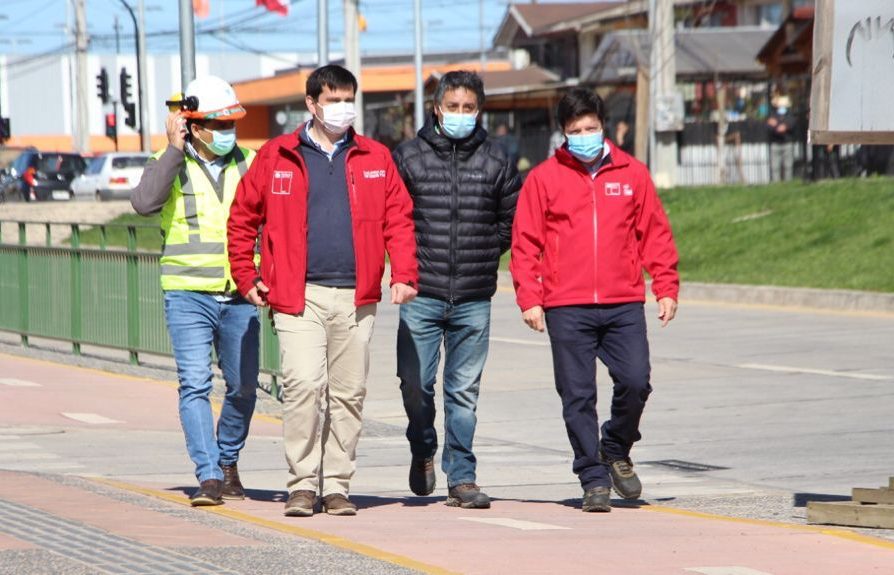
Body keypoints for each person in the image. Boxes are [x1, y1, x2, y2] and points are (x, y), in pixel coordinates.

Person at [227, 64, 418, 518]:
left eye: (348, 99)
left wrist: (405, 273)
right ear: (311, 104)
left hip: (357, 297)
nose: (341, 108)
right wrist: (246, 276)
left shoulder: (375, 156)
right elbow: (242, 220)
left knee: (349, 394)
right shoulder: (277, 155)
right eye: (332, 100)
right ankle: (300, 485)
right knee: (303, 386)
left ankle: (336, 486)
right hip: (298, 295)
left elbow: (399, 218)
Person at [510, 87, 679, 513]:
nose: (585, 135)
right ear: (564, 134)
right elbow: (525, 242)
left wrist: (665, 284)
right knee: (577, 395)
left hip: (623, 302)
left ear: (604, 127)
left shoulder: (632, 173)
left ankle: (616, 446)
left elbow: (654, 232)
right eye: (576, 130)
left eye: (592, 128)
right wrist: (530, 297)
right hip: (566, 305)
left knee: (636, 380)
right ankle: (592, 476)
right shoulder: (544, 178)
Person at [392, 70, 520, 509]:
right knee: (415, 385)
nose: (461, 115)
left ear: (479, 110)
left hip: (473, 297)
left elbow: (510, 223)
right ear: (436, 107)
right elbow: (395, 221)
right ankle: (423, 444)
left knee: (464, 393)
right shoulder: (407, 157)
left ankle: (462, 477)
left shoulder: (498, 159)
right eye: (453, 107)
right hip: (419, 294)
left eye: (469, 108)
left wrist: (483, 256)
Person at [131, 75, 259, 507]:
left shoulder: (251, 162)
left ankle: (227, 459)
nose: (227, 133)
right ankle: (209, 476)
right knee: (195, 385)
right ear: (193, 124)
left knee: (243, 388)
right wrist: (172, 148)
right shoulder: (168, 161)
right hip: (188, 293)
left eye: (231, 124)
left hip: (242, 293)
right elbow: (145, 203)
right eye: (218, 125)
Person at [766, 95, 795, 181]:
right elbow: (769, 125)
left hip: (787, 143)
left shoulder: (790, 115)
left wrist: (781, 126)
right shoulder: (773, 114)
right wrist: (779, 126)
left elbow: (791, 124)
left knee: (788, 166)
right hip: (775, 143)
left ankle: (788, 183)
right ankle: (776, 184)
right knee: (775, 167)